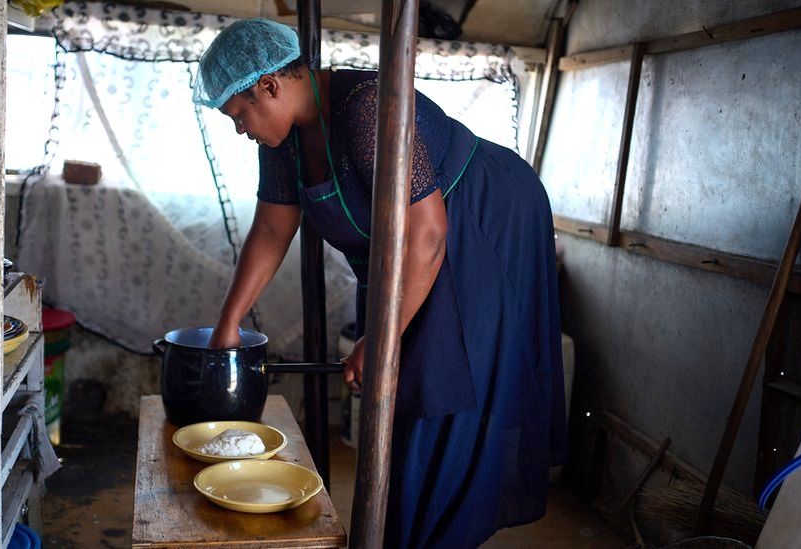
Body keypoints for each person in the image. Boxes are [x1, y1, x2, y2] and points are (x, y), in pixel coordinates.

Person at [195, 18, 566, 548]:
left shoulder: (366, 108)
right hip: (413, 248)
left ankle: (428, 535)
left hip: (481, 219)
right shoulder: (282, 140)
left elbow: (429, 232)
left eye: (239, 115)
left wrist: (383, 336)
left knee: (441, 390)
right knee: (396, 388)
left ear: (270, 86)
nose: (240, 129)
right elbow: (274, 227)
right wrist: (227, 325)